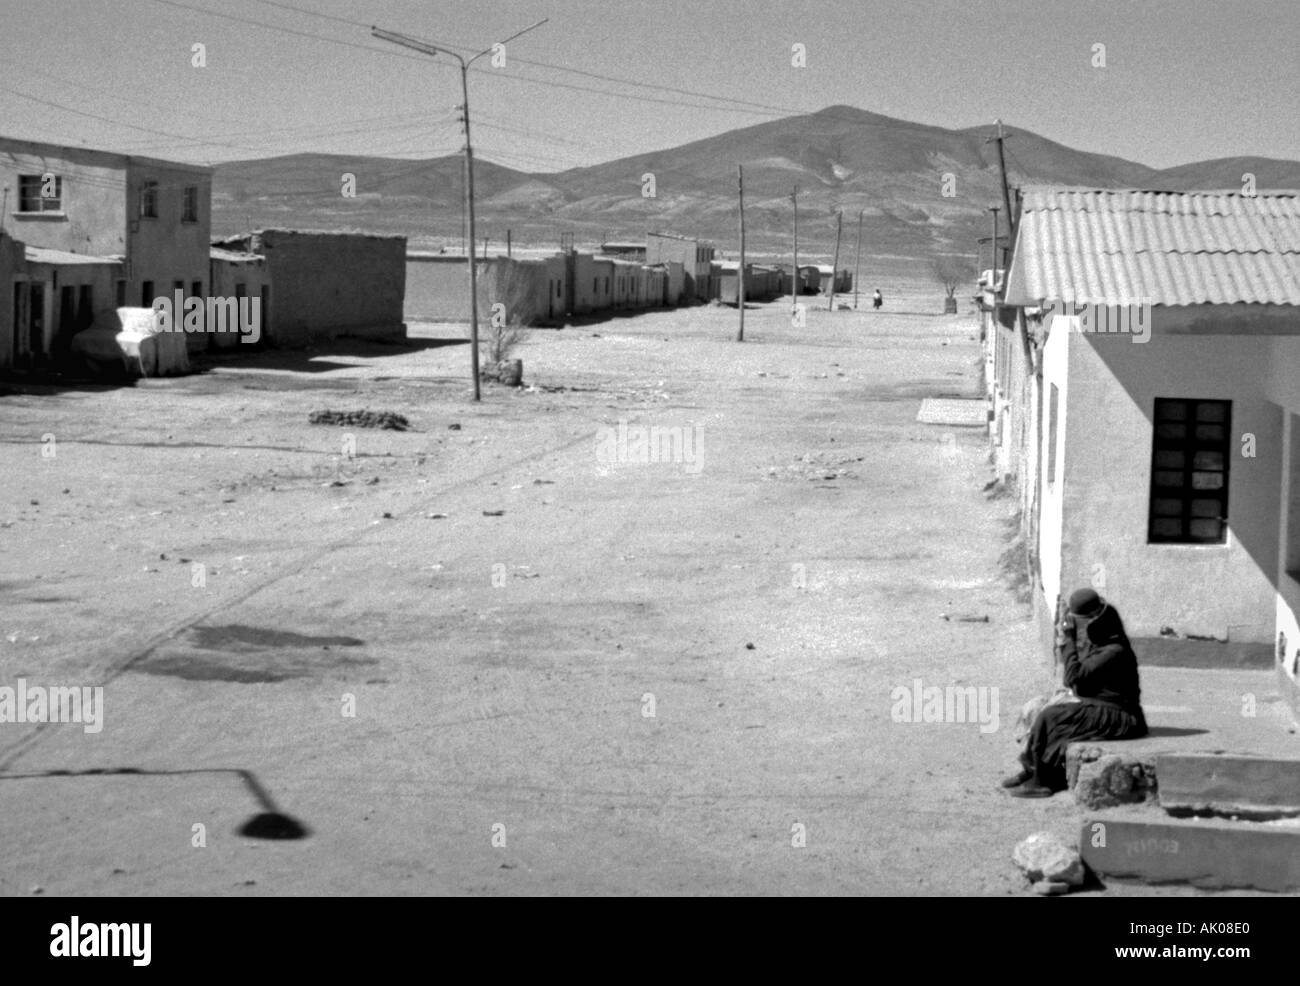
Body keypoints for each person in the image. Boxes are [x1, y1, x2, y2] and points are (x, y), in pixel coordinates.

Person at [1002, 588, 1148, 798]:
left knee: (1051, 716)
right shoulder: (1099, 640)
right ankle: (1032, 769)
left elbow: (1073, 678)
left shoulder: (1114, 651)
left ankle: (1044, 781)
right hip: (1094, 701)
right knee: (1037, 707)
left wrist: (1068, 641)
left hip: (1119, 715)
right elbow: (1077, 682)